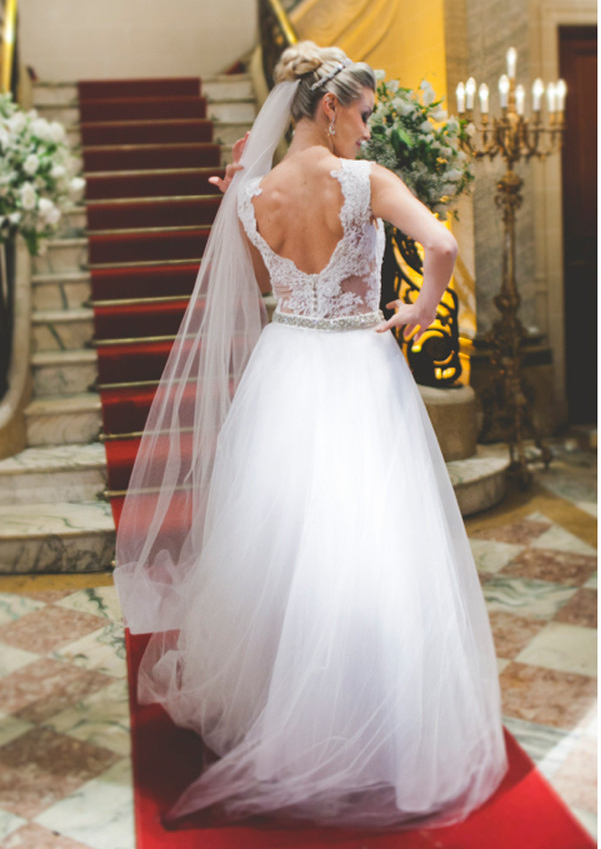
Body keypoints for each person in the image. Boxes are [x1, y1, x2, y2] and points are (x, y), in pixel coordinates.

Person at [113, 41, 507, 827]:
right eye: (362, 115)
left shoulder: (250, 195)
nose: (367, 131)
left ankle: (274, 701)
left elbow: (263, 282)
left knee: (284, 537)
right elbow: (445, 245)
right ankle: (366, 716)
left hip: (285, 364)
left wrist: (239, 193)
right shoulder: (365, 182)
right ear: (329, 108)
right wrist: (425, 307)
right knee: (369, 538)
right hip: (358, 367)